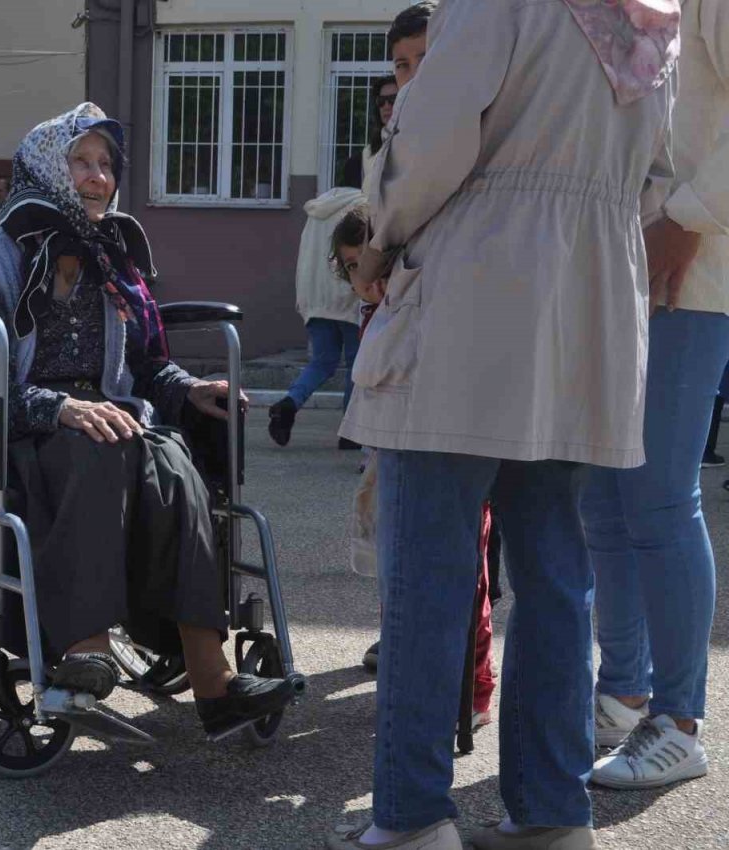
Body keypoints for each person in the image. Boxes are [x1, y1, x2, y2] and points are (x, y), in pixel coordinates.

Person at [328, 0, 678, 847]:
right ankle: (554, 813)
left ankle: (412, 819)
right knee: (558, 576)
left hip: (474, 294)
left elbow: (431, 144)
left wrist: (380, 234)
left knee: (429, 578)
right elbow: (657, 181)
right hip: (586, 308)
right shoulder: (647, 17)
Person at [0, 103, 296, 736]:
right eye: (81, 161)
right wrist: (61, 407)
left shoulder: (115, 261)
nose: (98, 177)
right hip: (28, 427)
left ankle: (212, 677)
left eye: (106, 165)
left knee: (175, 459)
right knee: (97, 445)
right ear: (47, 169)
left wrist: (192, 390)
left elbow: (147, 367)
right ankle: (85, 649)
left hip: (111, 415)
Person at [583, 0, 729, 792]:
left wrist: (690, 217)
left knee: (661, 497)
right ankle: (623, 691)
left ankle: (679, 721)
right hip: (623, 262)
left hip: (692, 271)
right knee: (605, 497)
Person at [332, 206, 496, 731]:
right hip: (388, 458)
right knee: (397, 572)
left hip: (450, 449)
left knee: (468, 577)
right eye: (355, 269)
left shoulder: (430, 302)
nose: (370, 283)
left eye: (377, 267)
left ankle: (473, 689)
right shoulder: (371, 316)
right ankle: (408, 678)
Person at [267, 187, 364, 448]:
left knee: (322, 362)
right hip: (351, 298)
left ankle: (289, 403)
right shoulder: (363, 207)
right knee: (357, 366)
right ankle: (351, 432)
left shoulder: (316, 210)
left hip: (316, 298)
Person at [339, 75, 399, 195]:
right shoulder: (361, 160)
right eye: (381, 102)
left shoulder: (417, 149)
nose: (386, 106)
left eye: (393, 100)